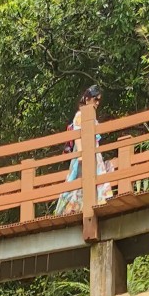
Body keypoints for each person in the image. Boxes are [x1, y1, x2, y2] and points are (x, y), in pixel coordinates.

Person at [54, 85, 112, 215]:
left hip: (93, 151)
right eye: (95, 99)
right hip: (85, 151)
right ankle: (75, 207)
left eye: (98, 100)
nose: (97, 103)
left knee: (93, 177)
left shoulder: (92, 116)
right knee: (80, 179)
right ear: (87, 99)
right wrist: (81, 155)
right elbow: (78, 135)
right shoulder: (80, 115)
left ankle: (96, 202)